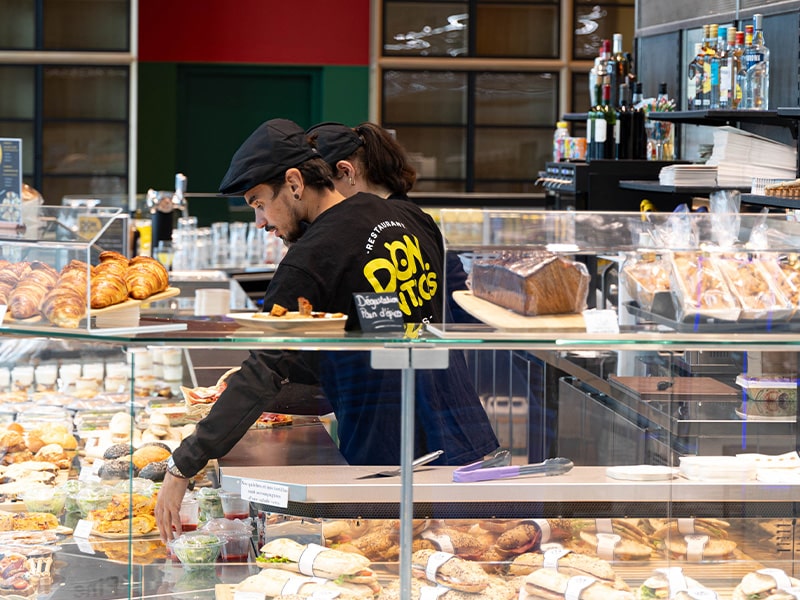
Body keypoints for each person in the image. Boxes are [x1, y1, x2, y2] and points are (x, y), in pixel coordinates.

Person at [155, 118, 499, 541]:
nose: (260, 221)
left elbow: (264, 372)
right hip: (466, 438)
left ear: (295, 183)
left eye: (258, 202)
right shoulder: (407, 216)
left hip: (389, 466)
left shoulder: (312, 258)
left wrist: (183, 464)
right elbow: (393, 330)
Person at [306, 121, 478, 324]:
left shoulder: (372, 232)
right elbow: (461, 301)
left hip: (405, 353)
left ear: (346, 172)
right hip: (432, 352)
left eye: (321, 189)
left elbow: (383, 326)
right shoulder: (416, 219)